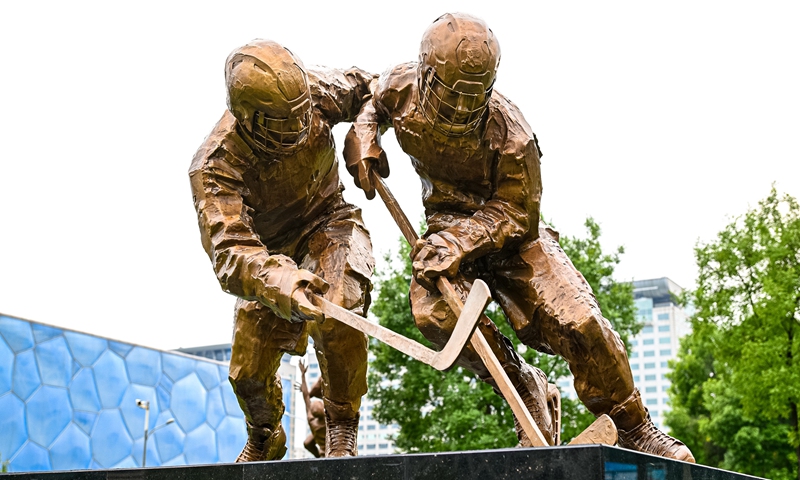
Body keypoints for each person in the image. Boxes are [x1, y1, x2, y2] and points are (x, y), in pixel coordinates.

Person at [343, 13, 694, 461]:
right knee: (433, 313)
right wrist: (365, 137)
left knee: (580, 319)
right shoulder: (400, 86)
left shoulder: (512, 134)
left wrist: (461, 242)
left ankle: (635, 426)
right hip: (446, 226)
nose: (461, 110)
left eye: (473, 98)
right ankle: (523, 384)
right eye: (450, 96)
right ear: (426, 76)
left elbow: (519, 211)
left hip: (514, 235)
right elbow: (373, 102)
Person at [190, 39, 375, 460]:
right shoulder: (215, 165)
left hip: (331, 223)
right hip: (268, 258)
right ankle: (264, 433)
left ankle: (342, 428)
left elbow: (376, 89)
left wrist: (364, 133)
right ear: (249, 120)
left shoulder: (317, 91)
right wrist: (279, 279)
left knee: (340, 305)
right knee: (248, 372)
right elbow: (228, 250)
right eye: (282, 124)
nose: (298, 128)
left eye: (301, 116)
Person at [298, 360, 327, 458]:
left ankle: (317, 455)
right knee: (308, 443)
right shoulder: (329, 421)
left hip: (320, 447)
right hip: (328, 449)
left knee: (307, 443)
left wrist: (302, 375)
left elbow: (306, 397)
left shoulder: (311, 420)